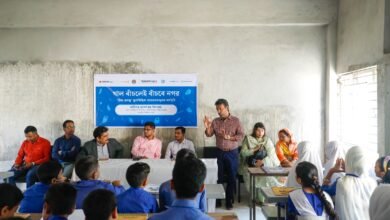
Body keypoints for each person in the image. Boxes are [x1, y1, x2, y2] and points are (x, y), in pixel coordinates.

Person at [204, 98, 244, 210]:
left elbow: (241, 136)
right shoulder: (215, 121)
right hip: (219, 152)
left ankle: (229, 201)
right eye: (217, 109)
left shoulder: (236, 121)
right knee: (218, 177)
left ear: (227, 108)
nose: (218, 111)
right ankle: (218, 200)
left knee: (231, 177)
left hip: (232, 153)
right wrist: (207, 127)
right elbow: (209, 134)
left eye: (220, 109)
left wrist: (230, 138)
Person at [239, 122, 282, 204]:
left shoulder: (267, 140)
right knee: (252, 177)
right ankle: (255, 198)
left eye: (262, 131)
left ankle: (263, 198)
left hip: (264, 164)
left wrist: (263, 162)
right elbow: (243, 153)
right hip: (250, 165)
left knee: (267, 176)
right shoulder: (248, 139)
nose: (260, 133)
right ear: (254, 131)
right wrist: (254, 150)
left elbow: (272, 155)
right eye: (258, 130)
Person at [334, 146, 377, 220]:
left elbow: (323, 191)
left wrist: (332, 171)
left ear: (349, 160)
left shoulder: (341, 182)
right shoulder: (372, 183)